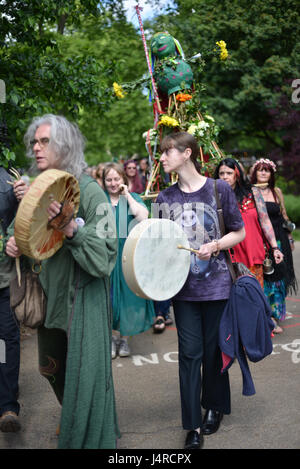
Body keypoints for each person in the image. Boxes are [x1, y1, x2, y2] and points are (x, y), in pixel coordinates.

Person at [5, 114, 119, 449]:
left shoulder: (89, 190)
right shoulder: (39, 187)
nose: (36, 148)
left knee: (88, 379)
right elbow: (20, 232)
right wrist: (14, 245)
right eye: (34, 142)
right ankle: (75, 417)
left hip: (83, 299)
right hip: (48, 299)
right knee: (49, 368)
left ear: (65, 146)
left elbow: (106, 257)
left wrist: (72, 229)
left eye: (44, 142)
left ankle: (86, 435)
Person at [156, 132, 245, 449]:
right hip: (183, 291)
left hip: (218, 287)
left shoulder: (218, 189)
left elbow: (239, 231)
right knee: (189, 356)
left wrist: (216, 245)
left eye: (167, 152)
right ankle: (192, 424)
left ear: (187, 153)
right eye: (162, 152)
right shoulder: (164, 199)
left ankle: (215, 406)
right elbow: (160, 245)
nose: (162, 158)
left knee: (213, 352)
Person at [103, 163, 155, 358]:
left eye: (117, 179)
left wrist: (127, 195)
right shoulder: (101, 200)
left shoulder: (132, 198)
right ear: (104, 182)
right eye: (109, 179)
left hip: (128, 257)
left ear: (123, 180)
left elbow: (143, 216)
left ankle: (124, 339)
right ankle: (111, 337)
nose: (113, 183)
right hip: (107, 258)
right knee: (109, 300)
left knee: (127, 300)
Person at [214, 158, 283, 289]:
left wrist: (275, 248)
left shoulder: (253, 193)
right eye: (221, 174)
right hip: (228, 256)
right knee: (231, 299)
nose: (225, 177)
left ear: (237, 174)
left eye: (229, 173)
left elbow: (265, 220)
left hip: (253, 252)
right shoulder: (215, 197)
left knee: (253, 296)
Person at [250, 158, 298, 332]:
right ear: (254, 172)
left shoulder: (276, 191)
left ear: (271, 174)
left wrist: (290, 237)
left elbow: (283, 215)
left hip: (280, 240)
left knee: (280, 277)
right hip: (261, 240)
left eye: (267, 170)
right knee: (267, 277)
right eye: (260, 170)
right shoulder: (251, 192)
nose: (263, 173)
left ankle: (276, 313)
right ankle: (268, 316)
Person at [0, 166, 20, 432]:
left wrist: (22, 198)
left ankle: (7, 406)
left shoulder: (7, 180)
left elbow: (22, 222)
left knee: (6, 339)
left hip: (3, 281)